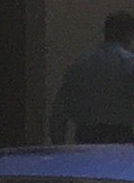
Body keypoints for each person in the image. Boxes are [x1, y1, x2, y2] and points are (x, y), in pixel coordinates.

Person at [52, 9, 134, 143]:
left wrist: (58, 146)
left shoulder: (81, 63)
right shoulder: (129, 64)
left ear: (105, 32)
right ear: (129, 34)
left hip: (86, 138)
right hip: (120, 139)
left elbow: (59, 111)